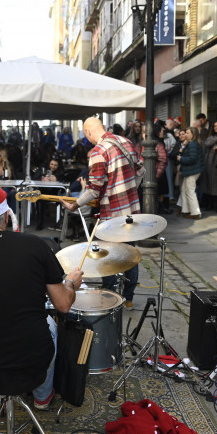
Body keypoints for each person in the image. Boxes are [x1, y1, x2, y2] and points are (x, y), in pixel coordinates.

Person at [0, 181, 83, 424]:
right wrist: (71, 283)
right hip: (32, 360)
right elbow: (63, 305)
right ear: (7, 217)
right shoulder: (36, 246)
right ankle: (42, 397)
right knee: (50, 325)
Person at [63, 116, 141, 308]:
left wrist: (75, 205)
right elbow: (141, 171)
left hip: (112, 214)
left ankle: (110, 299)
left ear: (89, 132)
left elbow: (94, 189)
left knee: (109, 257)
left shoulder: (98, 151)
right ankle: (129, 299)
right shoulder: (126, 142)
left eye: (86, 135)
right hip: (132, 211)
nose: (87, 138)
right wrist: (128, 189)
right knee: (130, 254)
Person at [178, 126, 204, 219]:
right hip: (191, 170)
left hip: (192, 170)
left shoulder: (193, 144)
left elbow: (192, 158)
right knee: (185, 190)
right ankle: (186, 210)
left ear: (193, 134)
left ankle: (195, 213)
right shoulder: (192, 143)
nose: (186, 134)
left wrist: (181, 158)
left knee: (190, 191)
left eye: (188, 133)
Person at [202, 120, 217, 213]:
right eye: (215, 126)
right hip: (209, 162)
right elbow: (207, 143)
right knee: (209, 184)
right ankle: (210, 204)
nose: (216, 127)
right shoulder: (211, 137)